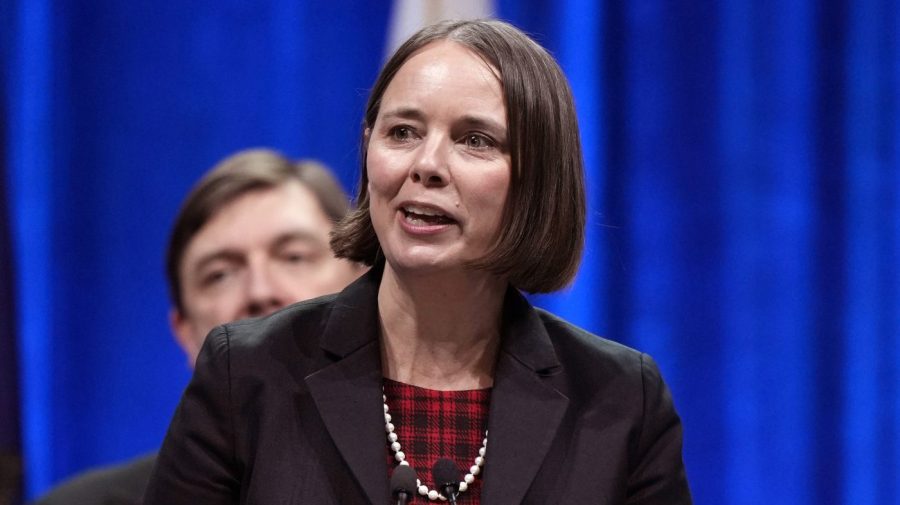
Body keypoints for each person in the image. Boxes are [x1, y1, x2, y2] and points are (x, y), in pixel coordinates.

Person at [144, 19, 692, 504]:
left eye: (475, 140)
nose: (426, 165)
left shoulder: (621, 401)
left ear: (537, 181)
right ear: (368, 149)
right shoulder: (249, 373)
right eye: (402, 132)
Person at [31, 149, 364, 505]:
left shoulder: (420, 474)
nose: (260, 291)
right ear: (184, 332)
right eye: (219, 274)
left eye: (294, 256)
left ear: (364, 284)